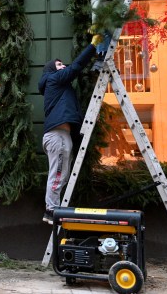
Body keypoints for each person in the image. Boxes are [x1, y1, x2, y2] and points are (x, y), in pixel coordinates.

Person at [38, 34, 102, 224]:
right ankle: (51, 210)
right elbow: (75, 67)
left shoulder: (62, 88)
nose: (63, 66)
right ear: (51, 69)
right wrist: (93, 45)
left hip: (63, 135)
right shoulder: (53, 79)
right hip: (57, 136)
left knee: (62, 175)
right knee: (57, 174)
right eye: (59, 65)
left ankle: (53, 208)